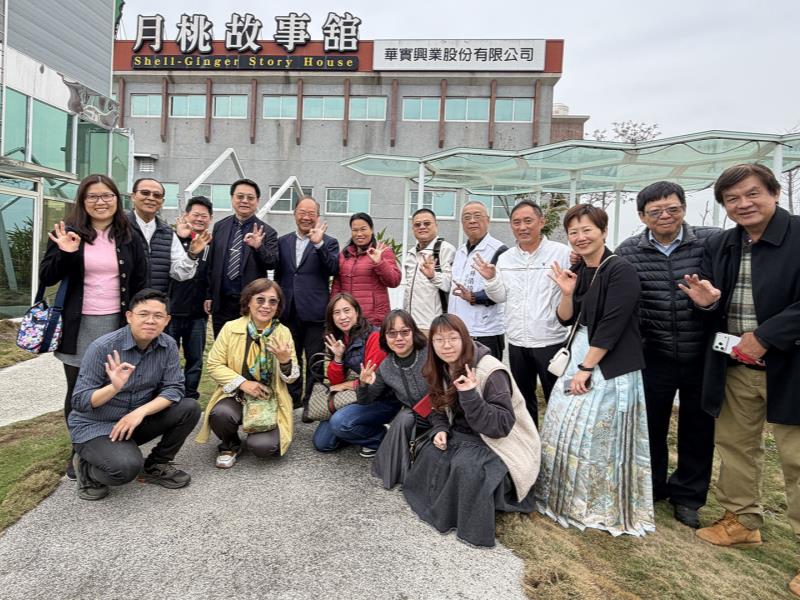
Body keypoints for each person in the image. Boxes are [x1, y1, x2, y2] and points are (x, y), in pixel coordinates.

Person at [679, 164, 800, 597]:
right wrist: (706, 303)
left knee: (797, 459)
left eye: (752, 194)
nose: (743, 204)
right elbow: (710, 301)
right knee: (735, 446)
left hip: (791, 366)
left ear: (774, 192)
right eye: (732, 199)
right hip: (735, 365)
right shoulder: (723, 244)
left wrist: (767, 337)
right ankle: (742, 521)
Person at [535, 203, 654, 537]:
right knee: (563, 427)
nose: (580, 237)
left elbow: (613, 324)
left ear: (603, 231)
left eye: (587, 229)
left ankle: (597, 505)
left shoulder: (621, 270)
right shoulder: (582, 269)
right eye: (573, 232)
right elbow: (566, 318)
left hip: (607, 362)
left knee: (596, 436)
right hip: (580, 353)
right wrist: (567, 292)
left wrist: (586, 368)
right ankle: (562, 498)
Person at [615, 181, 719, 529]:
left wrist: (709, 305)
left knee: (698, 428)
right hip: (654, 353)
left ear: (684, 209)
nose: (665, 216)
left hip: (701, 352)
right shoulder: (629, 251)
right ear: (642, 216)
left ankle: (688, 496)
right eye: (655, 211)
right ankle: (653, 485)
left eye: (672, 208)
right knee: (651, 425)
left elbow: (724, 294)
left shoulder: (710, 242)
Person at [40, 174, 148, 480]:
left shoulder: (129, 235)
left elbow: (141, 280)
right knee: (78, 390)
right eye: (93, 197)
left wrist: (141, 319)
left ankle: (105, 441)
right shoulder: (67, 231)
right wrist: (66, 253)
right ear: (83, 201)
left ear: (117, 199)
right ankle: (79, 448)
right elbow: (47, 276)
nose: (101, 202)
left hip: (117, 324)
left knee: (114, 386)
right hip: (79, 325)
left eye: (107, 196)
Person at [402, 314, 540, 547]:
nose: (446, 346)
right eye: (439, 340)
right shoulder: (439, 367)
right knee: (431, 452)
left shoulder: (490, 371)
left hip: (501, 442)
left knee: (467, 467)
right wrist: (440, 428)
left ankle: (478, 513)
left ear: (465, 338)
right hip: (464, 433)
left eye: (453, 338)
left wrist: (470, 395)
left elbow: (500, 427)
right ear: (431, 344)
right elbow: (436, 406)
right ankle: (444, 510)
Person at [69, 289, 201, 500]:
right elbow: (80, 401)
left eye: (158, 316)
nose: (150, 321)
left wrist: (140, 412)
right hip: (97, 425)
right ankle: (86, 468)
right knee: (125, 469)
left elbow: (174, 388)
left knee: (189, 407)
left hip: (135, 420)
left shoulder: (168, 345)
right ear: (129, 316)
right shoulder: (103, 347)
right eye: (143, 314)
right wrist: (113, 387)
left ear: (167, 320)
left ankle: (156, 464)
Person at [479, 200, 571, 427]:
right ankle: (531, 441)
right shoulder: (506, 258)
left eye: (528, 221)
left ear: (541, 222)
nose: (522, 227)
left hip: (551, 341)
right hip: (517, 342)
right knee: (523, 399)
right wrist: (491, 279)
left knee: (556, 398)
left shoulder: (562, 253)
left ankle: (556, 442)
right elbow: (500, 296)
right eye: (516, 222)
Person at [196, 279, 299, 468]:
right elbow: (214, 364)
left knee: (264, 448)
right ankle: (230, 445)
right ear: (248, 301)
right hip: (236, 395)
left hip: (269, 398)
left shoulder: (283, 333)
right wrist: (243, 384)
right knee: (220, 414)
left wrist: (285, 362)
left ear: (278, 307)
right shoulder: (230, 328)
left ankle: (258, 430)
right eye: (260, 299)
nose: (266, 306)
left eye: (272, 301)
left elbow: (292, 377)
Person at [312, 293, 400, 457]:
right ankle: (359, 430)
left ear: (357, 312)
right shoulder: (339, 338)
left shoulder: (374, 337)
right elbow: (335, 383)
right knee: (323, 443)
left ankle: (384, 439)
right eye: (336, 313)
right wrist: (338, 358)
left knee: (340, 423)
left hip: (381, 399)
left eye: (347, 310)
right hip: (351, 397)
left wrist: (345, 385)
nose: (342, 317)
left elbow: (374, 382)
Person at [274, 196, 340, 410]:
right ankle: (292, 400)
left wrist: (319, 244)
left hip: (315, 312)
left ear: (318, 217)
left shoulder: (329, 242)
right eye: (302, 212)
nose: (306, 217)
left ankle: (312, 403)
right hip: (288, 311)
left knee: (315, 360)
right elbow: (279, 275)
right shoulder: (283, 242)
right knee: (290, 358)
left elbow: (333, 269)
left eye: (311, 213)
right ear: (294, 214)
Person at [356, 309, 430, 489]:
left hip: (441, 411)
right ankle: (403, 473)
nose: (399, 338)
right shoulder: (386, 366)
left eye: (405, 332)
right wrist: (363, 384)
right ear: (385, 337)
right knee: (404, 418)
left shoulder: (429, 352)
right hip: (414, 418)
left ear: (413, 332)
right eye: (392, 333)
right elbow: (366, 400)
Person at [205, 178, 279, 337]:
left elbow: (272, 263)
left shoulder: (267, 231)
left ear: (257, 201)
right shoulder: (220, 227)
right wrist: (209, 295)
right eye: (240, 196)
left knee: (247, 346)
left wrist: (259, 247)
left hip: (250, 302)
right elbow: (212, 263)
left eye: (250, 198)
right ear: (232, 199)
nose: (245, 201)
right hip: (222, 301)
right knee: (222, 343)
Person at [127, 177, 210, 293]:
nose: (151, 198)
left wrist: (192, 255)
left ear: (162, 201)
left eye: (157, 195)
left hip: (157, 301)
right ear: (133, 196)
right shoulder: (119, 227)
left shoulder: (167, 233)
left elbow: (180, 274)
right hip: (123, 300)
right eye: (145, 193)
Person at [167, 195, 214, 401]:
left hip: (198, 313)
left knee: (195, 359)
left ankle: (190, 397)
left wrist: (210, 296)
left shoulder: (212, 244)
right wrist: (181, 237)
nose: (200, 219)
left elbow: (212, 274)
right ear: (186, 216)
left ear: (210, 219)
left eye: (204, 216)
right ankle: (169, 395)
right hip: (172, 310)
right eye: (195, 215)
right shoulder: (174, 239)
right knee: (168, 357)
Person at [448, 201, 507, 360]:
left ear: (488, 220)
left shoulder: (499, 250)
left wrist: (474, 297)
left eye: (477, 216)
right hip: (458, 330)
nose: (472, 221)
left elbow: (504, 291)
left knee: (487, 373)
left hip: (485, 333)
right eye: (467, 217)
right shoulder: (460, 251)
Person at [330, 212, 401, 327]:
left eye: (363, 229)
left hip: (373, 320)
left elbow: (394, 281)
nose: (359, 234)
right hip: (348, 319)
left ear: (371, 230)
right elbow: (337, 286)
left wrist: (379, 262)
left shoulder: (382, 251)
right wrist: (333, 312)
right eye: (355, 230)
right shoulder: (345, 254)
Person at [403, 209, 455, 334]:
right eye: (417, 225)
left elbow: (450, 286)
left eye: (427, 223)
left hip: (433, 325)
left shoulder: (445, 249)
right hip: (410, 324)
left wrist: (433, 276)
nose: (422, 227)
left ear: (436, 225)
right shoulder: (411, 254)